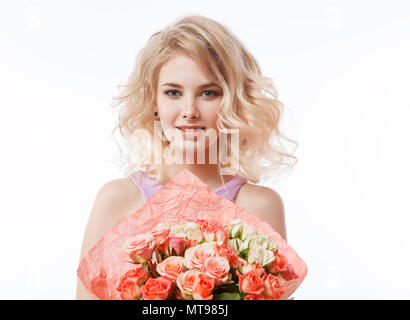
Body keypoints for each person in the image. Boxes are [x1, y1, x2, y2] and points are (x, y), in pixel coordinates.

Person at [75, 14, 297, 299]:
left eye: (208, 93)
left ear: (233, 101)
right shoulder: (116, 200)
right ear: (154, 100)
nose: (190, 110)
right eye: (173, 92)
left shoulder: (259, 205)